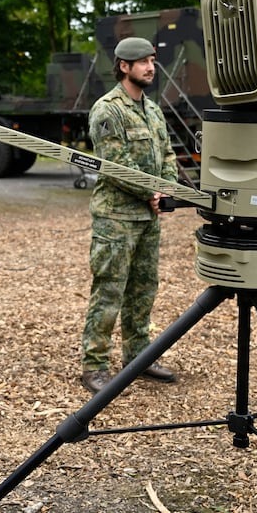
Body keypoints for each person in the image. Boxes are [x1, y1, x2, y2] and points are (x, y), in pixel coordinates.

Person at [79, 37, 179, 394]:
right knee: (109, 290)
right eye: (143, 62)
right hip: (116, 219)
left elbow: (167, 154)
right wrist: (151, 193)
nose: (151, 67)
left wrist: (167, 190)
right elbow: (116, 164)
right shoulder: (108, 110)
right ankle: (94, 365)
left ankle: (139, 357)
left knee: (143, 290)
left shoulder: (152, 110)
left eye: (152, 60)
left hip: (147, 219)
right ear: (124, 66)